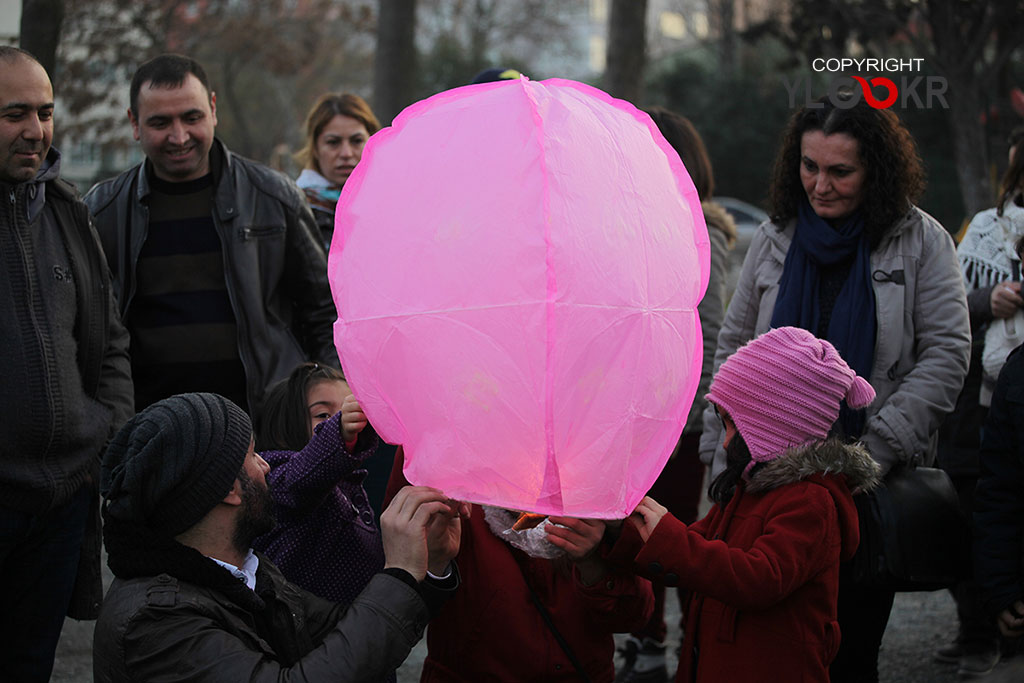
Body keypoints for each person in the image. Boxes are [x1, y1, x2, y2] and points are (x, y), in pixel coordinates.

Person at [700, 92, 971, 683]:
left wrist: (870, 452)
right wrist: (717, 449)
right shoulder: (775, 236)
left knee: (848, 653)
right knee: (766, 646)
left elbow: (948, 354)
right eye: (808, 166)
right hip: (762, 482)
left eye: (840, 171)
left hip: (863, 489)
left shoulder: (921, 241)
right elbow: (735, 347)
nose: (819, 185)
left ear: (876, 170)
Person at [93, 392, 464, 682]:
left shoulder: (246, 572)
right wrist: (397, 572)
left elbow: (348, 635)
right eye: (252, 455)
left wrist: (427, 564)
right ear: (227, 489)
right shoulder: (156, 621)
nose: (266, 466)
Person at [607, 326, 881, 683]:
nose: (725, 445)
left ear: (774, 428)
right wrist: (614, 535)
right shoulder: (750, 487)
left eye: (734, 427)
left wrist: (668, 537)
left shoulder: (812, 502)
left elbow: (758, 578)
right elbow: (695, 549)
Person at [83, 53, 336, 415]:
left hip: (263, 427)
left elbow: (324, 313)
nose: (179, 136)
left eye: (191, 117)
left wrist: (319, 406)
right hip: (150, 432)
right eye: (160, 122)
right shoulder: (103, 211)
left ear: (213, 109)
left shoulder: (274, 198)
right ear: (134, 123)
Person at [0, 46, 134, 682]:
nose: (36, 130)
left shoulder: (67, 211)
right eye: (14, 113)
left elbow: (108, 342)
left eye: (45, 112)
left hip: (59, 504)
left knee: (31, 666)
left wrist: (103, 434)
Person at [614, 107, 736, 683]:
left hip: (678, 425)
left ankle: (694, 649)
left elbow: (708, 336)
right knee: (631, 531)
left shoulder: (700, 231)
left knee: (679, 535)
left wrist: (691, 424)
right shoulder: (632, 224)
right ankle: (648, 640)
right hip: (631, 419)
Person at [386, 449, 654, 682]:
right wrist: (433, 560)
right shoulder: (442, 455)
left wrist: (592, 563)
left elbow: (633, 615)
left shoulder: (600, 467)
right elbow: (398, 604)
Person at [934, 127, 1024, 677]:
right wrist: (988, 300)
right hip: (985, 401)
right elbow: (952, 301)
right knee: (976, 517)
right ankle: (980, 628)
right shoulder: (987, 230)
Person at [252, 363, 385, 608]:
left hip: (353, 619)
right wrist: (338, 431)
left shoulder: (347, 481)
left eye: (348, 408)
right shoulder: (276, 475)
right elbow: (302, 479)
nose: (341, 419)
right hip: (304, 628)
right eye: (323, 415)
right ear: (283, 428)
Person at [294, 92, 381, 249]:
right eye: (333, 142)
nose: (346, 153)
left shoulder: (389, 203)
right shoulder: (296, 210)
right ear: (315, 148)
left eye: (357, 141)